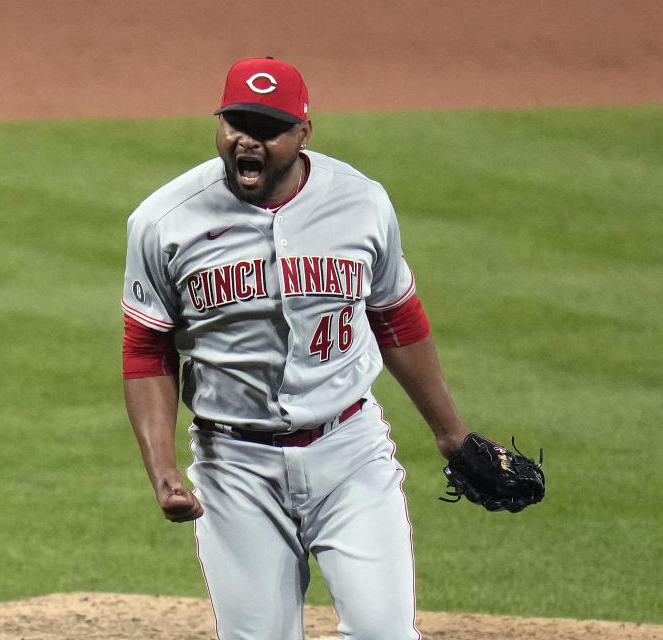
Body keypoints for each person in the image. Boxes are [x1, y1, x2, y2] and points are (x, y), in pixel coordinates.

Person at [122, 57, 471, 640]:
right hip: (234, 464)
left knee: (386, 633)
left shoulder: (360, 202)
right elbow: (146, 349)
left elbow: (396, 317)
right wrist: (161, 469)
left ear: (302, 133)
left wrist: (450, 432)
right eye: (235, 123)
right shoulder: (164, 220)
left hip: (350, 450)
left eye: (266, 128)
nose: (246, 141)